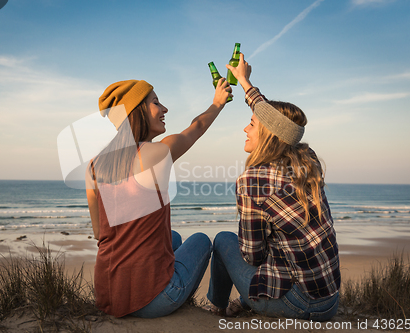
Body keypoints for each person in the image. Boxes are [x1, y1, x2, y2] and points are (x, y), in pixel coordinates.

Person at [206, 54, 341, 321]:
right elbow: (285, 127)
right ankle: (239, 303)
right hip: (329, 302)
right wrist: (245, 83)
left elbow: (252, 255)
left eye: (253, 124)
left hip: (298, 305)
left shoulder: (253, 180)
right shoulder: (308, 159)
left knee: (222, 240)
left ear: (268, 134)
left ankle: (217, 311)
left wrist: (246, 83)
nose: (246, 128)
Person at [86, 78, 232, 318]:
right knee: (201, 240)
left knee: (172, 237)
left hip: (109, 299)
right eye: (156, 102)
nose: (164, 109)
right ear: (137, 112)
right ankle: (215, 305)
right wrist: (218, 103)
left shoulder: (93, 165)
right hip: (154, 301)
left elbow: (99, 233)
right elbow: (196, 128)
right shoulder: (158, 153)